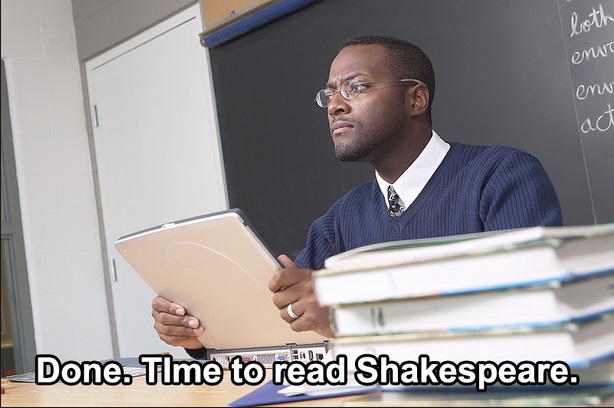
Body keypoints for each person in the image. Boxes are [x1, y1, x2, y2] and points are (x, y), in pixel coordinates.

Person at [151, 35, 562, 356]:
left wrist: (352, 318)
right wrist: (201, 337)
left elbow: (534, 311)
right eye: (330, 94)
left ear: (416, 98)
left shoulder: (502, 175)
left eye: (356, 87)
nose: (335, 106)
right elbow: (286, 328)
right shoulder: (340, 221)